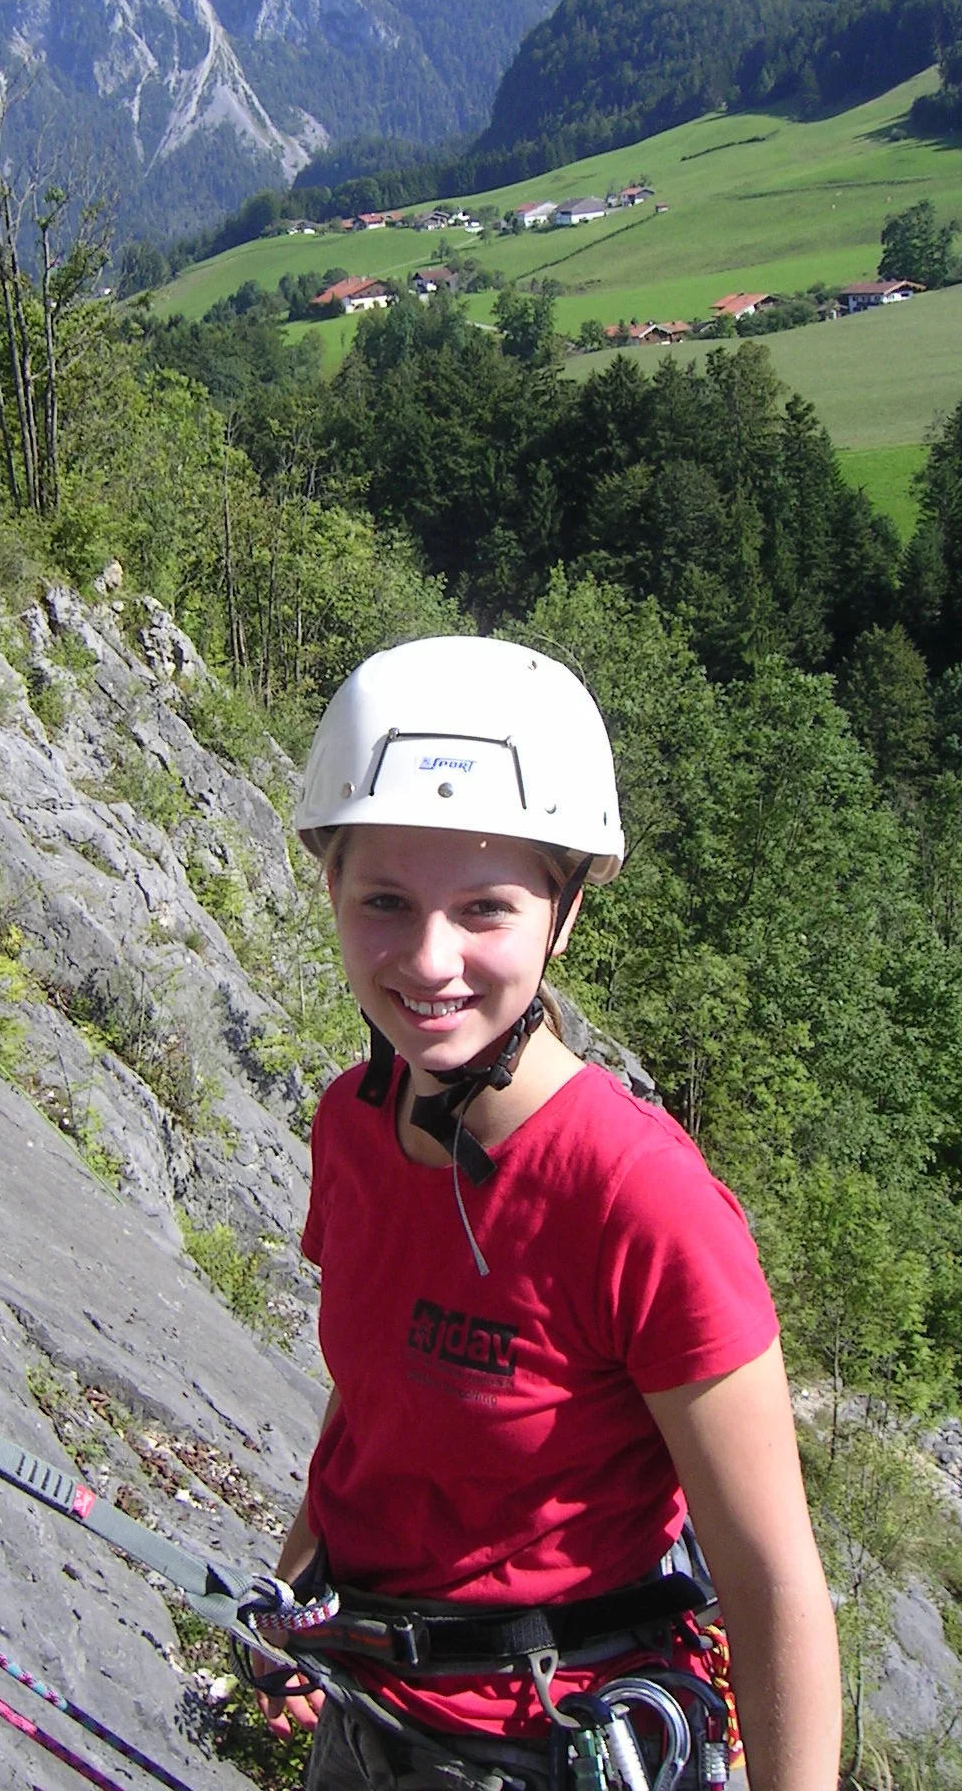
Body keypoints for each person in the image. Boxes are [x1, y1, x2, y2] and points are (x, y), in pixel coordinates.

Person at [252, 638, 840, 1791]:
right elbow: (373, 1397)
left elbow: (775, 1583)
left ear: (563, 914)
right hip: (371, 1703)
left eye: (487, 909)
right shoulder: (354, 1124)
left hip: (546, 1740)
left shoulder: (641, 1201)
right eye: (385, 901)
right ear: (330, 886)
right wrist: (297, 1588)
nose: (431, 960)